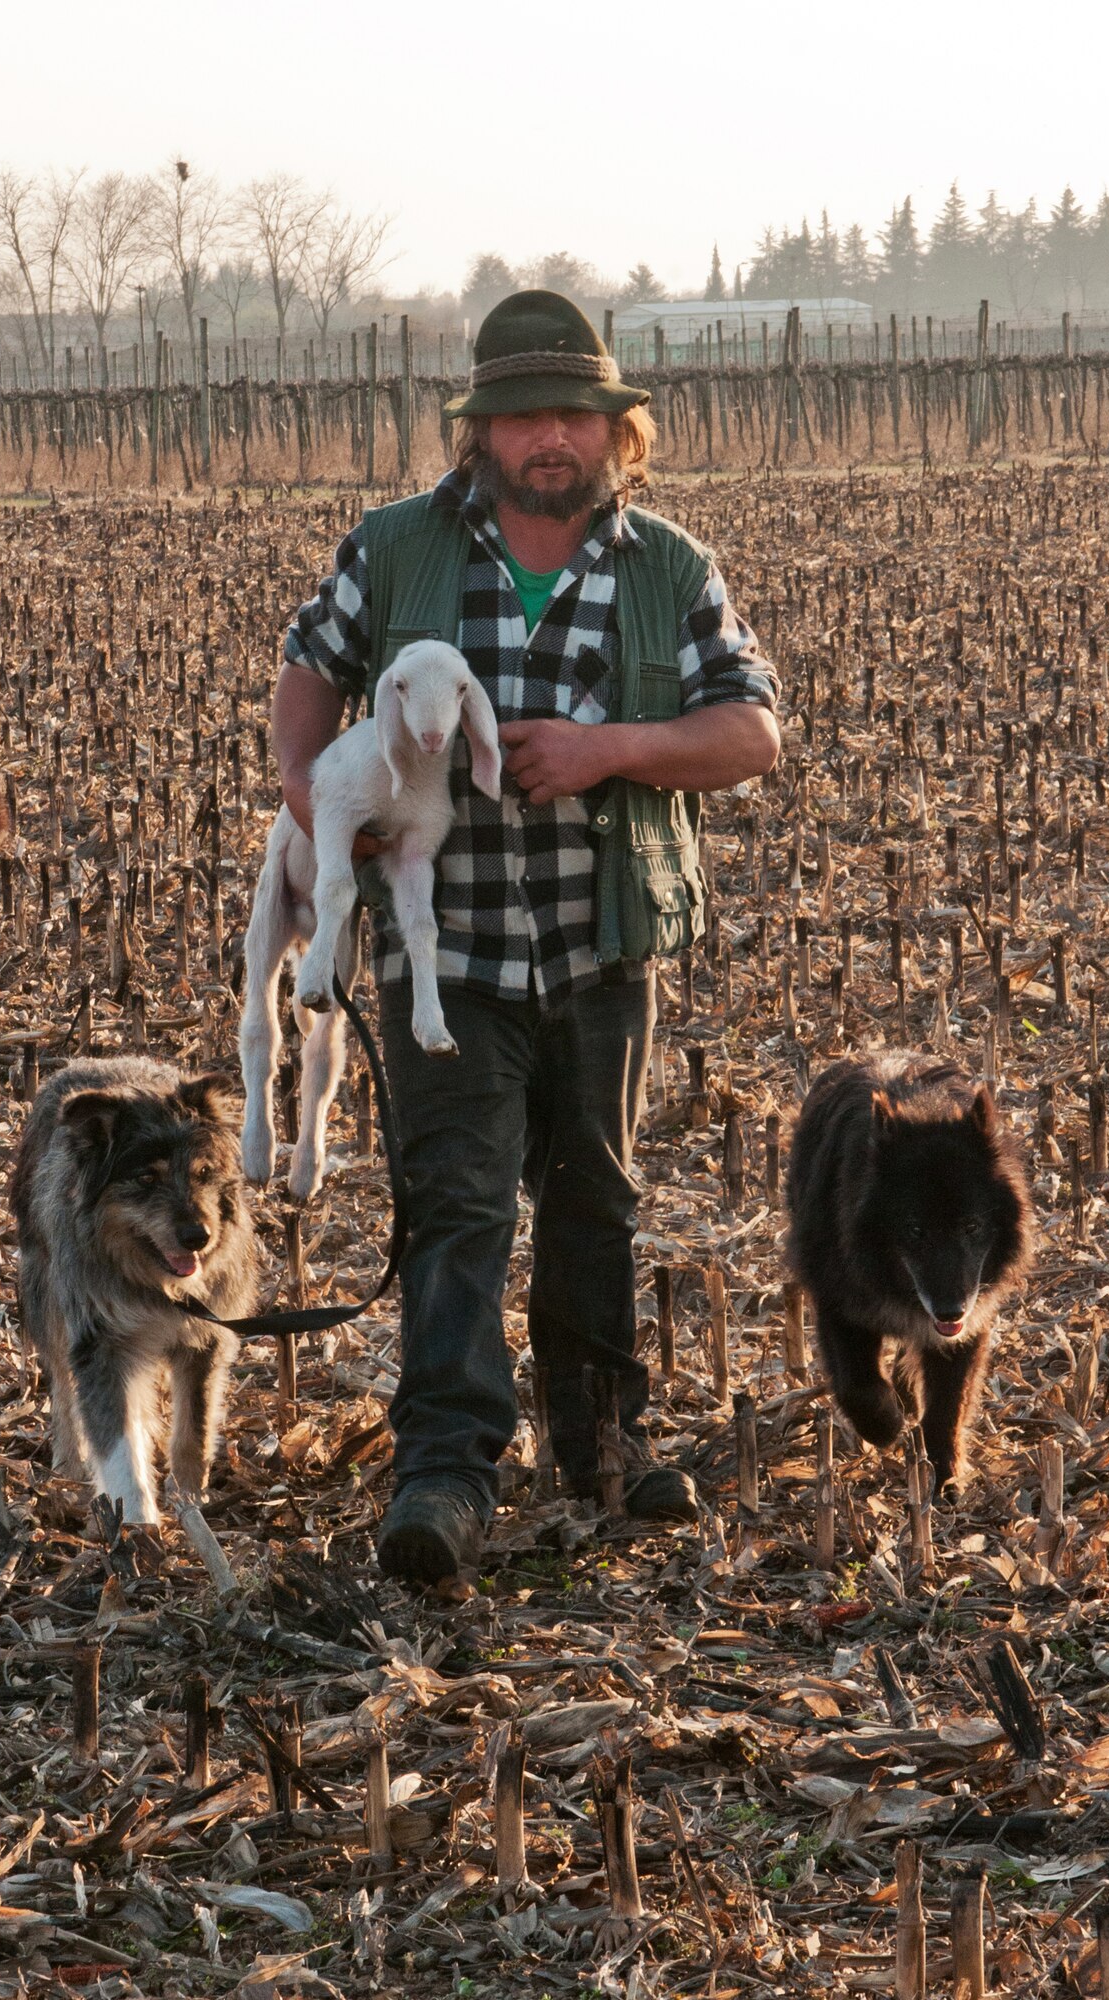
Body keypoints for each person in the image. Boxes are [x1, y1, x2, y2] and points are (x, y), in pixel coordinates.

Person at [272, 290, 780, 1585]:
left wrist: (611, 749)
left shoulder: (669, 566)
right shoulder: (393, 551)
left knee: (596, 1194)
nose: (551, 437)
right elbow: (305, 675)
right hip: (445, 949)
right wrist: (327, 816)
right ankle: (445, 1469)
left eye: (576, 415)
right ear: (481, 431)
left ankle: (600, 1448)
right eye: (524, 416)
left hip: (602, 939)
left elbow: (749, 734)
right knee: (453, 1202)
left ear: (616, 433)